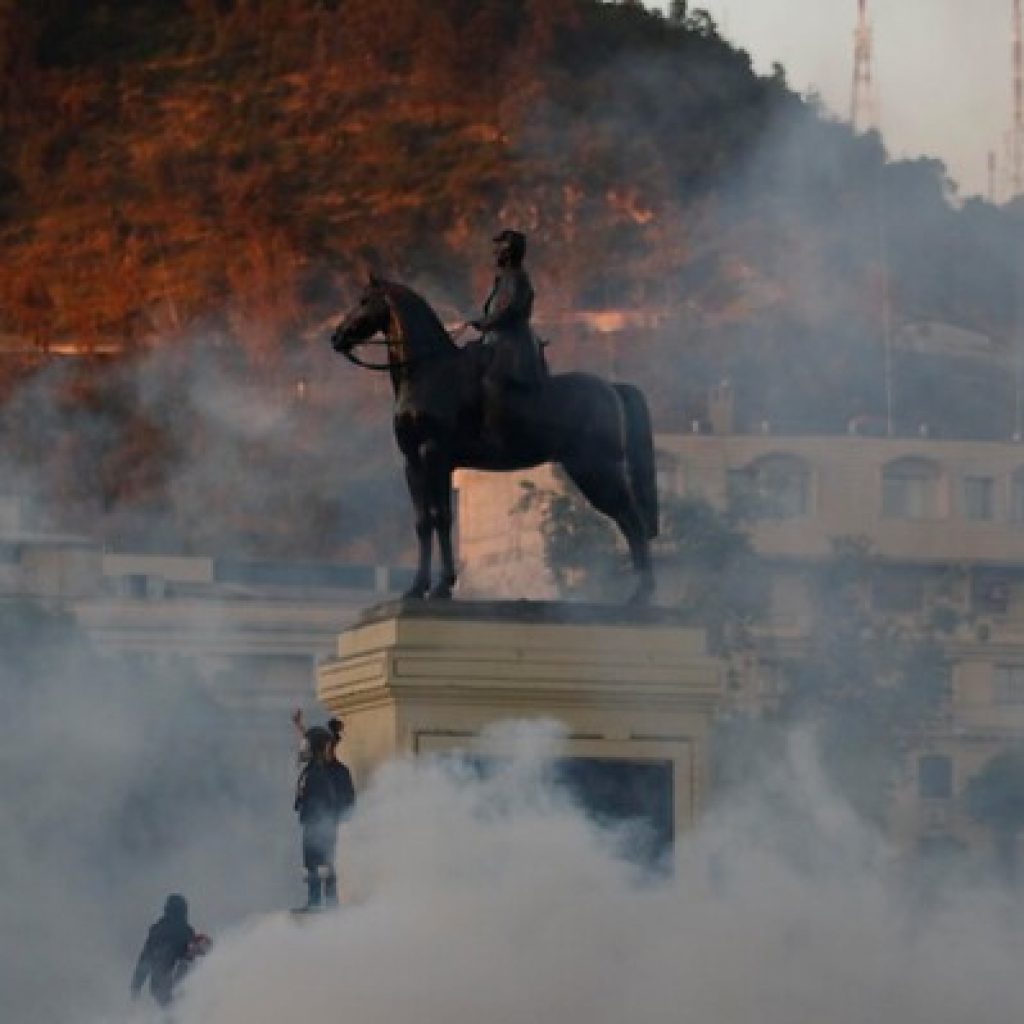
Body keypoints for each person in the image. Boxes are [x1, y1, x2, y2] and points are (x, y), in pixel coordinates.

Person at [463, 229, 545, 448]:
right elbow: (494, 309)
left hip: (514, 345)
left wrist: (485, 323)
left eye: (498, 250)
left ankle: (495, 433)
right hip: (496, 341)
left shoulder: (517, 278)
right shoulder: (503, 279)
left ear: (508, 253)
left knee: (492, 381)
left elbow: (510, 312)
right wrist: (480, 319)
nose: (494, 255)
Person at [293, 725, 355, 910]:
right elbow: (311, 740)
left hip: (324, 825)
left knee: (325, 864)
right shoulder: (313, 769)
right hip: (311, 823)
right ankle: (314, 901)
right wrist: (300, 727)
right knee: (311, 864)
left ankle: (329, 903)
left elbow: (338, 801)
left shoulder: (328, 773)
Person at [130, 893, 210, 1007]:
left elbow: (144, 959)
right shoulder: (184, 931)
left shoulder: (157, 930)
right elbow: (146, 959)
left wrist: (136, 985)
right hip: (171, 984)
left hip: (160, 985)